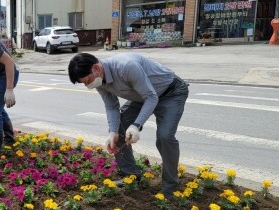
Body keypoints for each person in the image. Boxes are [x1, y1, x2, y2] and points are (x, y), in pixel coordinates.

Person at [68, 52, 189, 199]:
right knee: (119, 130)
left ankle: (170, 187)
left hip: (170, 93)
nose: (88, 85)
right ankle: (131, 177)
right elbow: (111, 106)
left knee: (165, 137)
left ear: (96, 68)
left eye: (88, 81)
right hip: (142, 97)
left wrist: (136, 125)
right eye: (84, 83)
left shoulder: (126, 66)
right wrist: (112, 132)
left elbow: (151, 97)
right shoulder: (99, 80)